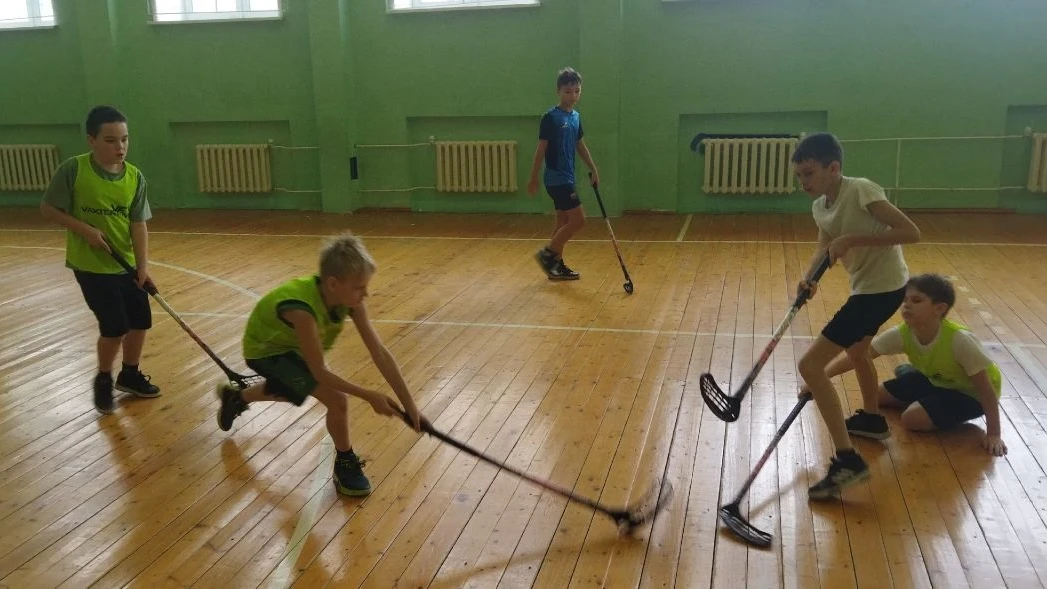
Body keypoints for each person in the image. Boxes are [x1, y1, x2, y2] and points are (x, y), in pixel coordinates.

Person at [216, 233, 428, 496]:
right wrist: (369, 396)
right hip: (266, 350)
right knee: (336, 400)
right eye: (359, 287)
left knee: (294, 388)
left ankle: (236, 398)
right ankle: (345, 462)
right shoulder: (303, 312)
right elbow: (319, 372)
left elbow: (380, 353)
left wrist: (410, 407)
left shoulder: (350, 303)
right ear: (333, 284)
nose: (366, 293)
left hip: (294, 347)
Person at [793, 132, 922, 500]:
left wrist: (852, 239)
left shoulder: (861, 190)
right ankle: (872, 419)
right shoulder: (820, 206)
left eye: (809, 173)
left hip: (881, 290)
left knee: (810, 367)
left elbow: (910, 232)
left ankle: (847, 460)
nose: (804, 182)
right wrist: (809, 278)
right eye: (799, 176)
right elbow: (823, 247)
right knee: (858, 352)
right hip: (868, 288)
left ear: (834, 168)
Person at [40, 105, 161, 415]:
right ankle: (104, 378)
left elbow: (138, 224)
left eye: (124, 139)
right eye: (110, 140)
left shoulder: (134, 176)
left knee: (140, 321)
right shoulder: (74, 170)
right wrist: (86, 230)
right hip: (91, 266)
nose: (119, 147)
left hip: (126, 264)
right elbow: (49, 209)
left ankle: (130, 374)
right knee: (114, 326)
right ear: (91, 140)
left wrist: (142, 266)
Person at [806, 273, 1006, 457]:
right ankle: (915, 380)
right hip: (938, 379)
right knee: (875, 395)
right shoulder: (903, 332)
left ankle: (919, 388)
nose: (907, 305)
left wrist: (994, 434)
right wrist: (821, 378)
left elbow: (986, 390)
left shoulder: (960, 340)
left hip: (971, 394)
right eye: (905, 300)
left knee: (912, 419)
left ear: (939, 308)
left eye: (916, 301)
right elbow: (859, 356)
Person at [527, 66, 600, 281]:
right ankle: (548, 256)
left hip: (568, 177)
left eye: (577, 91)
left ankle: (556, 267)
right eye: (568, 91)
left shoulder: (576, 117)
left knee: (561, 223)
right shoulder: (551, 118)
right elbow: (541, 148)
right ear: (558, 91)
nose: (573, 95)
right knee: (579, 220)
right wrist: (533, 177)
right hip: (556, 179)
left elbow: (580, 145)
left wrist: (593, 168)